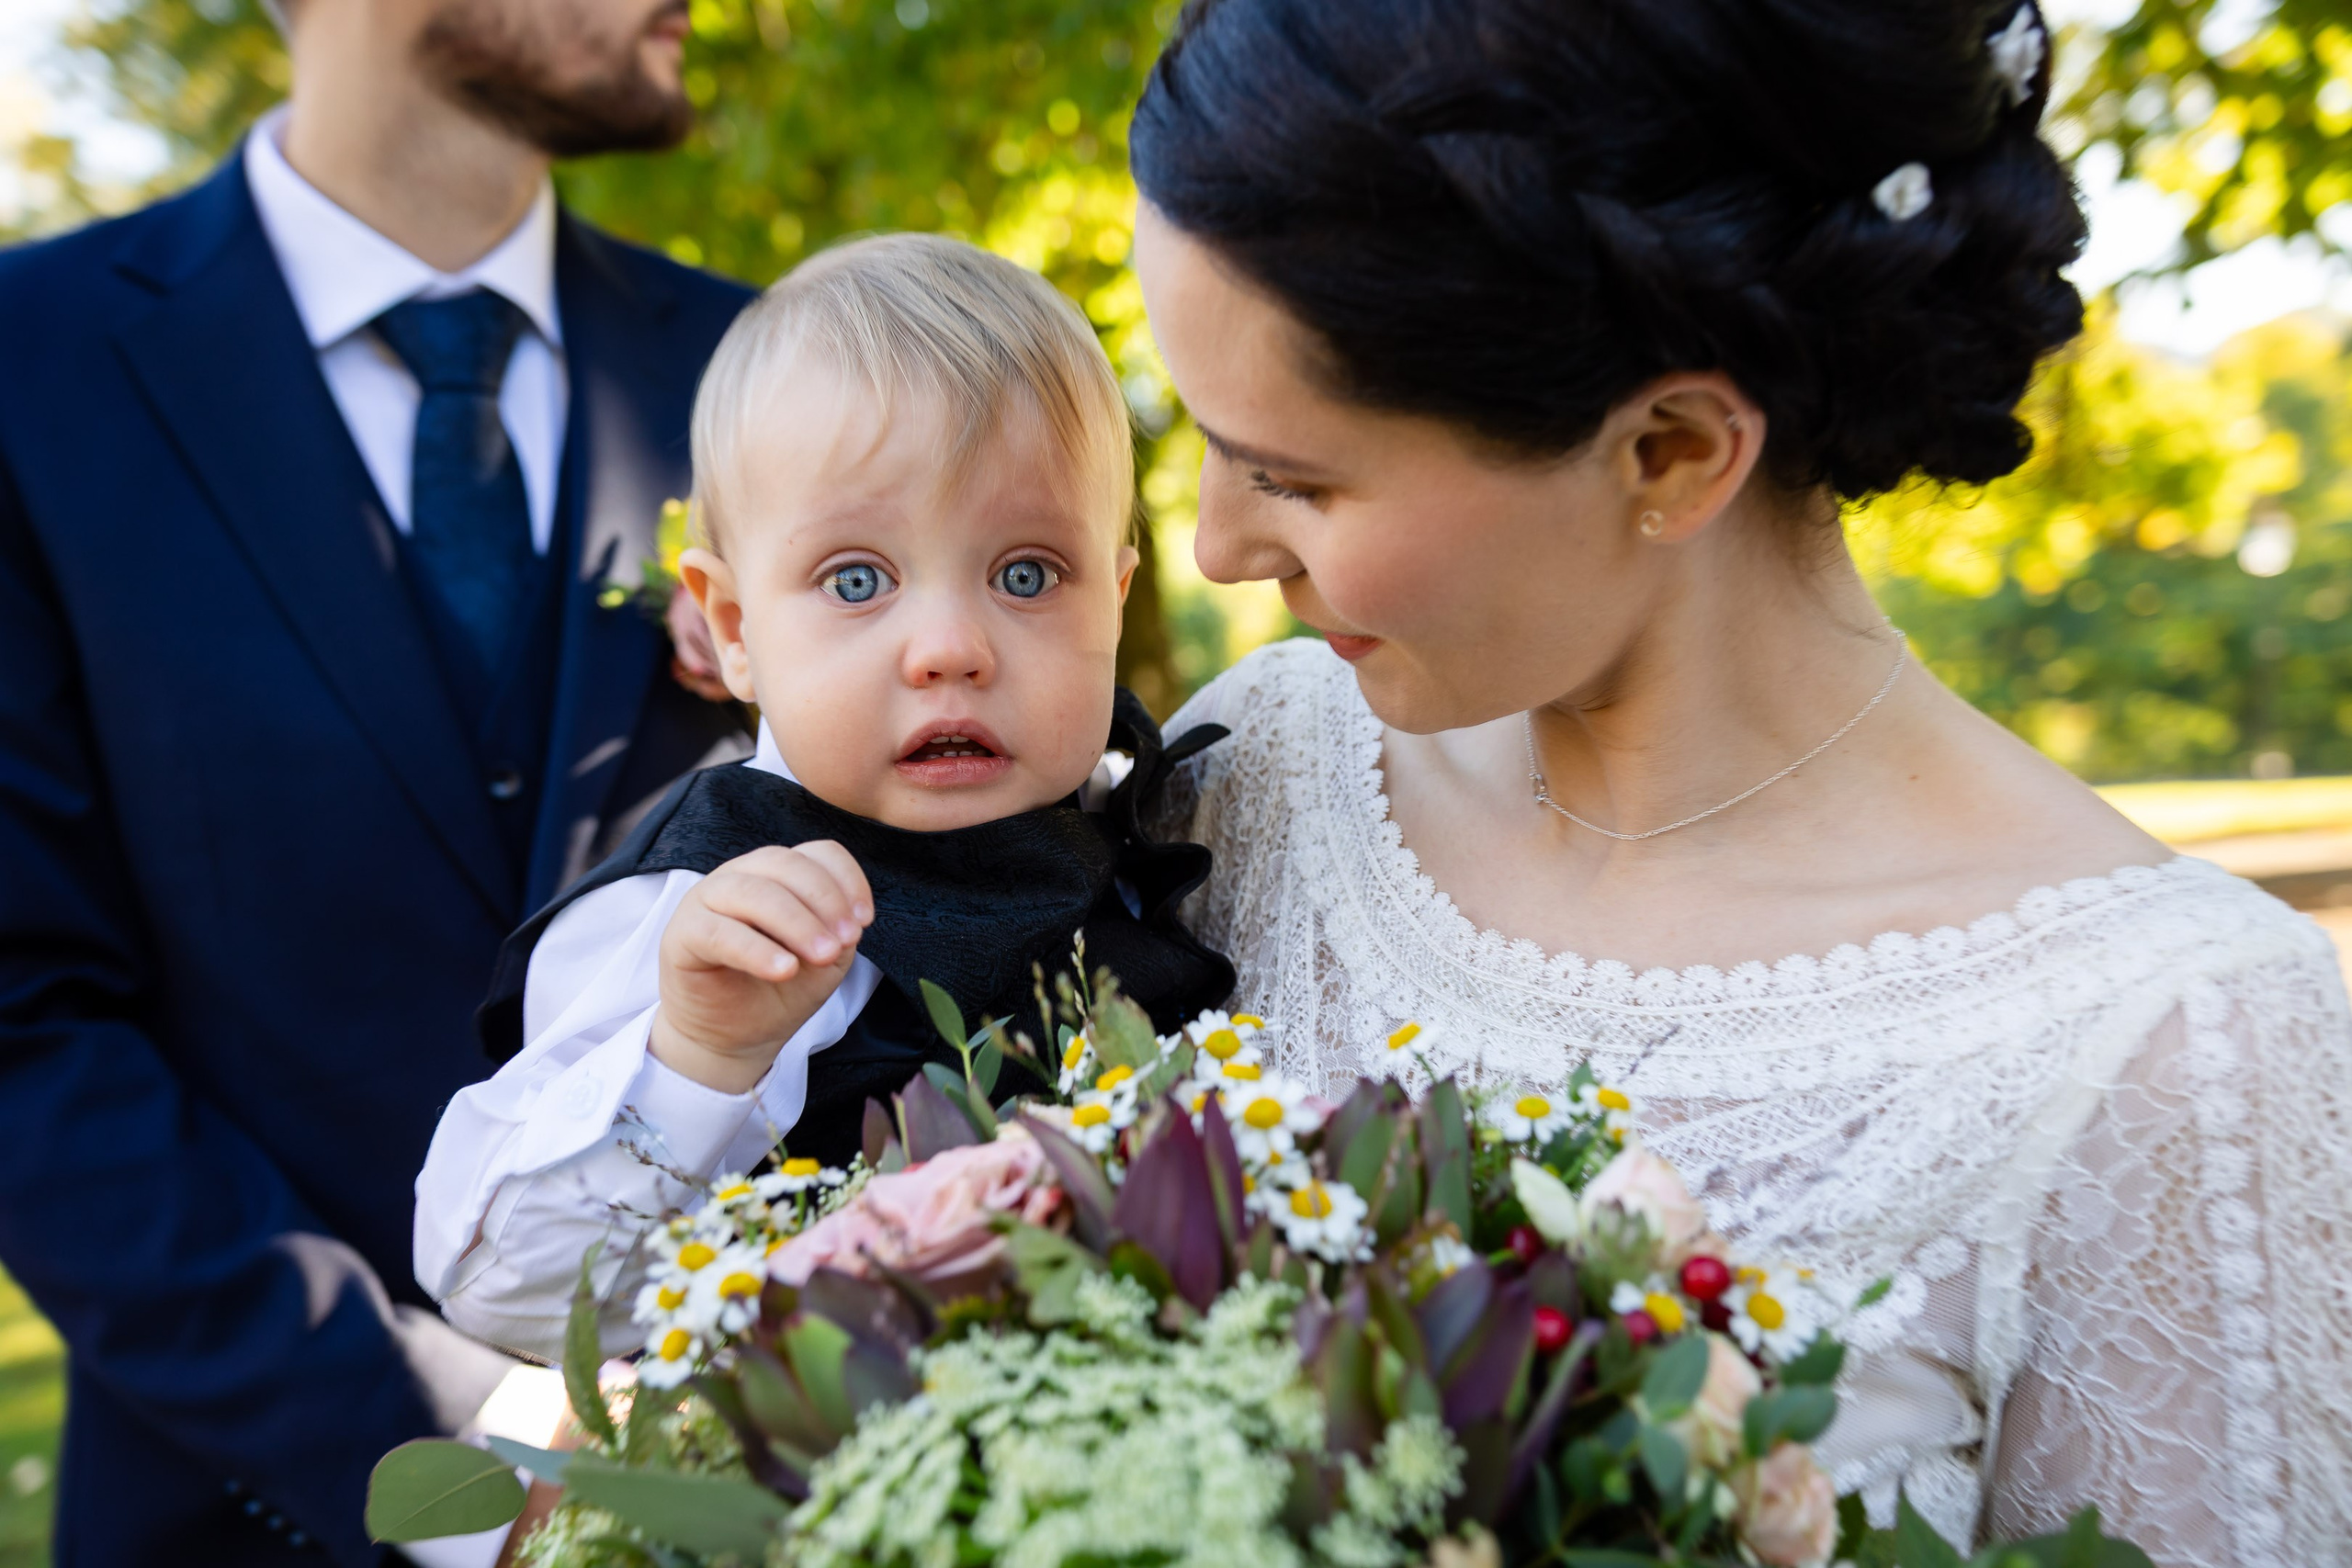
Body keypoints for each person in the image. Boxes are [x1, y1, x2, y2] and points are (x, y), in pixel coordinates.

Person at [1123, 0, 2352, 1562]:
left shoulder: (2167, 1042)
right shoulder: (1258, 770)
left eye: (1294, 476)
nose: (1219, 545)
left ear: (1673, 452)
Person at [0, 0, 755, 1558]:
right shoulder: (30, 371)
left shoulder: (760, 369)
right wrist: (430, 1424)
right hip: (235, 1514)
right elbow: (21, 1026)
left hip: (762, 1483)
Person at [413, 233, 1233, 1362]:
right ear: (736, 629)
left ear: (1116, 596)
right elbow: (499, 1287)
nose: (949, 648)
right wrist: (696, 1056)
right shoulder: (705, 917)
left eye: (1026, 574)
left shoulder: (1141, 828)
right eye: (857, 580)